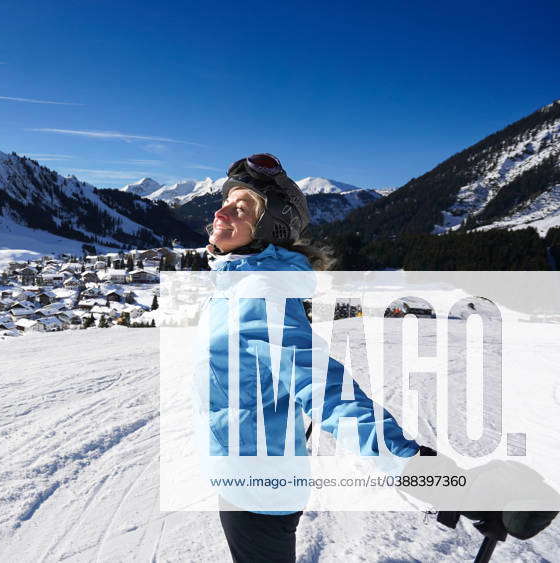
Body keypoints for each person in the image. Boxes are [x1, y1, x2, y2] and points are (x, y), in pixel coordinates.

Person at [202, 153, 556, 561]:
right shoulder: (240, 283)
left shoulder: (258, 295)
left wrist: (430, 476)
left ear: (268, 229)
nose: (221, 210)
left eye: (241, 207)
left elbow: (328, 394)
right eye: (226, 199)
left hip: (254, 491)